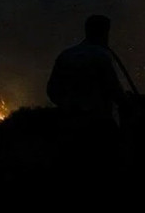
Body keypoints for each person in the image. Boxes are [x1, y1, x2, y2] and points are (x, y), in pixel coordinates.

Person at [46, 14, 125, 179]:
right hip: (99, 126)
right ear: (105, 32)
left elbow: (52, 90)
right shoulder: (101, 56)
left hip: (68, 124)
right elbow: (115, 90)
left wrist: (68, 106)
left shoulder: (66, 55)